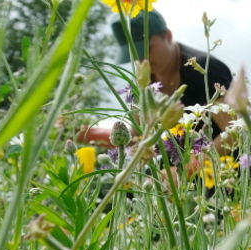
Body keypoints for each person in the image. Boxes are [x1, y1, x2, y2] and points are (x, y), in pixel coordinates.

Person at [80, 10, 236, 168]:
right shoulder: (143, 81)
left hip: (232, 167)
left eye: (147, 49)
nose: (142, 59)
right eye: (134, 55)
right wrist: (87, 133)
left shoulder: (204, 69)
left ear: (167, 36)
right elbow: (136, 135)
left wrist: (186, 170)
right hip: (183, 164)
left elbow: (235, 131)